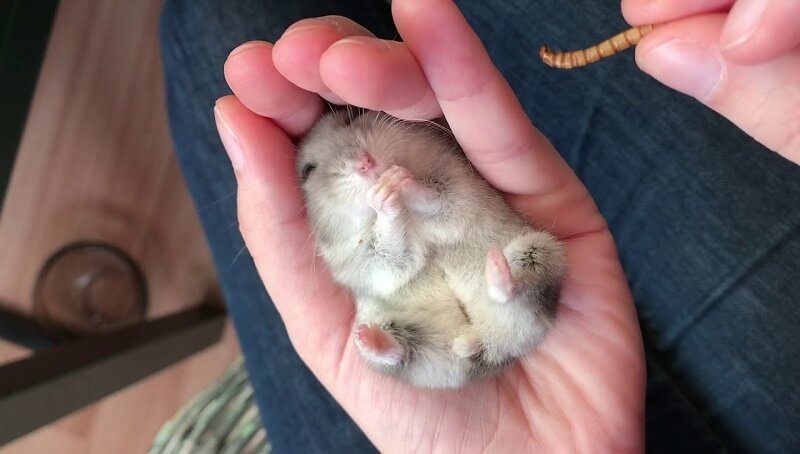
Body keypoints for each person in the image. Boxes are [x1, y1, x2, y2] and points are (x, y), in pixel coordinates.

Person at [159, 0, 800, 451]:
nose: (353, 160)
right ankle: (414, 341)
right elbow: (389, 266)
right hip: (442, 313)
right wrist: (388, 217)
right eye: (320, 170)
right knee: (412, 339)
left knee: (205, 18)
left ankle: (476, 311)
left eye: (354, 124)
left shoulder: (423, 161)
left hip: (484, 281)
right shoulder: (336, 237)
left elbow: (450, 204)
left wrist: (409, 193)